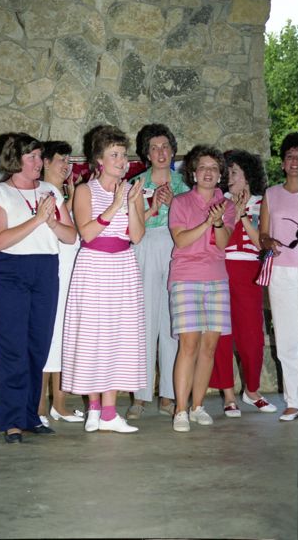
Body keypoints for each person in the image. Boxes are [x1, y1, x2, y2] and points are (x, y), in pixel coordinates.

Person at [0, 132, 76, 443]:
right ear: (15, 160)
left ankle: (30, 415)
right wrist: (38, 219)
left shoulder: (50, 191)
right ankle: (11, 421)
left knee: (38, 345)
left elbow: (70, 237)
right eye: (32, 157)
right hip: (9, 272)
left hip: (45, 270)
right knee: (12, 348)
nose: (39, 162)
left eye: (39, 156)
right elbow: (1, 240)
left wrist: (50, 221)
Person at [61, 125, 147, 433]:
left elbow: (136, 235)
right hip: (94, 266)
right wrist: (115, 204)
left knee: (117, 337)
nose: (121, 160)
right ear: (99, 159)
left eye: (123, 155)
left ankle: (109, 411)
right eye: (114, 154)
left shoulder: (131, 189)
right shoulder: (85, 190)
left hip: (123, 266)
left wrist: (134, 203)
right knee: (93, 337)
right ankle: (94, 408)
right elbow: (86, 233)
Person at [168, 144, 236, 432]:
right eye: (203, 167)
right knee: (189, 345)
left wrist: (218, 221)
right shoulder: (181, 202)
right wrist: (207, 221)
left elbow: (223, 243)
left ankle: (197, 406)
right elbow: (181, 241)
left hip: (217, 278)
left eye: (214, 168)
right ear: (193, 173)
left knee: (209, 347)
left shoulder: (228, 205)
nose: (208, 172)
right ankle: (180, 410)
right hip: (185, 278)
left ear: (220, 175)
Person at [126, 123, 189, 420]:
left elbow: (192, 219)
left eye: (165, 146)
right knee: (144, 319)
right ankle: (139, 395)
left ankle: (168, 394)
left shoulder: (184, 183)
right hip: (145, 246)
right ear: (147, 153)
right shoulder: (135, 183)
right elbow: (130, 222)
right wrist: (151, 205)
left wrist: (173, 202)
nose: (161, 152)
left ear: (172, 150)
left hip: (176, 247)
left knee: (171, 320)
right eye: (154, 147)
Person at [209, 150, 277, 416]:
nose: (228, 177)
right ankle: (228, 395)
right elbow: (217, 239)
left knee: (251, 338)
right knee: (222, 336)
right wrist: (233, 213)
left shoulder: (263, 202)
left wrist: (244, 214)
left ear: (248, 174)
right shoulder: (219, 200)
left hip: (248, 273)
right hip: (221, 269)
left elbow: (262, 241)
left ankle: (252, 391)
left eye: (233, 171)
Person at [38, 141, 84, 427]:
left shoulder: (58, 192)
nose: (65, 165)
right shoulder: (43, 192)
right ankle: (39, 407)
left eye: (68, 160)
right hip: (54, 270)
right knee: (49, 339)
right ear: (44, 162)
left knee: (63, 339)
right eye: (59, 160)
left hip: (69, 271)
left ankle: (59, 404)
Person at [259, 132, 298, 421]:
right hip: (282, 273)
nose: (295, 162)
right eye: (290, 157)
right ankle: (293, 400)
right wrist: (268, 242)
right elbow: (262, 235)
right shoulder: (271, 195)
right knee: (285, 338)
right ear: (283, 163)